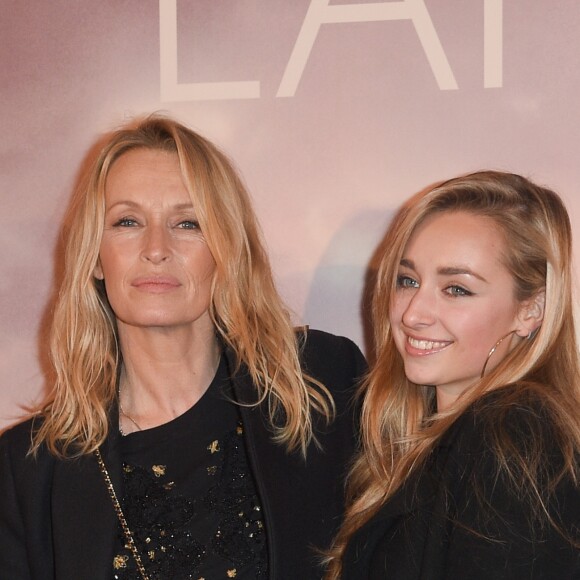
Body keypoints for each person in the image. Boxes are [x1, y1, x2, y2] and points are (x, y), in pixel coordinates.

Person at [0, 115, 366, 580]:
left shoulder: (323, 382)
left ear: (226, 249)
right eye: (127, 221)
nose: (156, 248)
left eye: (188, 223)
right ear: (94, 255)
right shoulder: (30, 470)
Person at [326, 171, 580, 579]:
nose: (412, 313)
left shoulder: (513, 436)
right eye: (408, 280)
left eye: (456, 289)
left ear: (530, 309)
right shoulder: (446, 435)